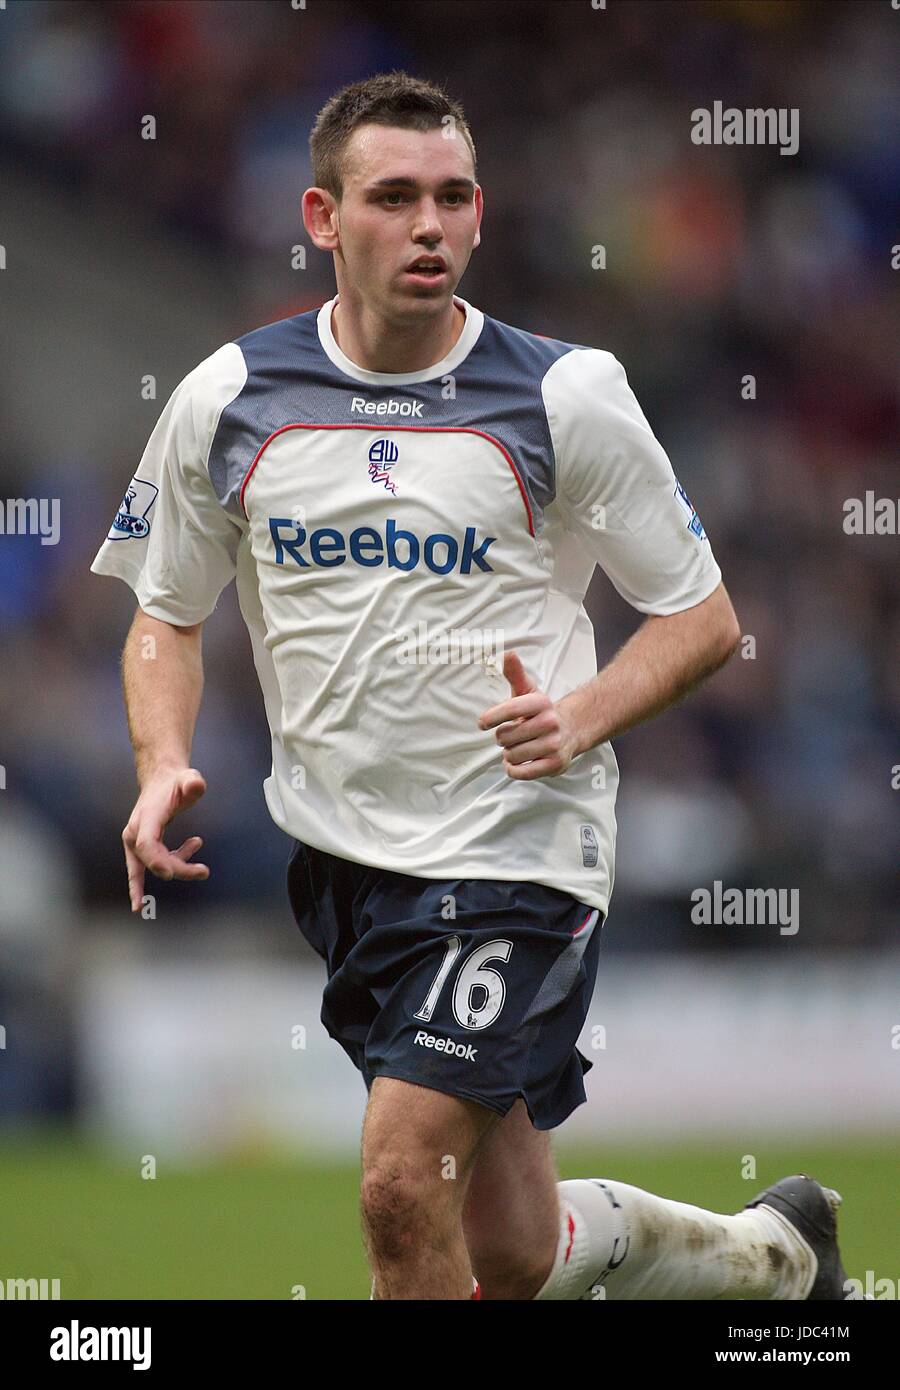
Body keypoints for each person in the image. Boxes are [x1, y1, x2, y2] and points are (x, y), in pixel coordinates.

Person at [90, 70, 847, 1301]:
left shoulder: (564, 395)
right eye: (393, 197)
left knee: (399, 1184)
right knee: (505, 1245)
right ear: (324, 218)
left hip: (518, 850)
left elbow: (702, 618)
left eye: (452, 197)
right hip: (346, 861)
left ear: (482, 214)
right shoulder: (230, 398)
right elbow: (165, 613)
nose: (428, 224)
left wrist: (582, 714)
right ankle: (777, 1259)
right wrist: (159, 755)